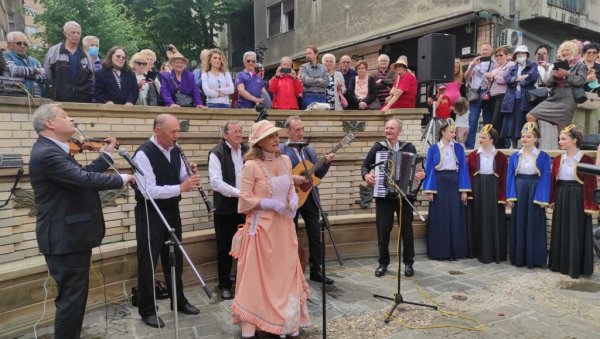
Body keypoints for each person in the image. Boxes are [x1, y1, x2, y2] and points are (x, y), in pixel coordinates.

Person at [29, 103, 134, 338]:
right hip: (65, 239)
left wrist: (106, 155)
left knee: (75, 299)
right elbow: (83, 179)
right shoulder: (47, 153)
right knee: (71, 302)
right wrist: (121, 179)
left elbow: (80, 176)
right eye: (65, 116)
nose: (72, 119)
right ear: (50, 123)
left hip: (71, 237)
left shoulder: (55, 150)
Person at [233, 119, 310, 338]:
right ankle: (254, 321)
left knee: (285, 274)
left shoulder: (285, 159)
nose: (276, 139)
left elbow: (289, 186)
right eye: (270, 137)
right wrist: (269, 203)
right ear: (259, 142)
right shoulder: (251, 166)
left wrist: (293, 199)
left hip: (284, 226)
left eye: (276, 135)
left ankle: (287, 322)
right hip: (262, 228)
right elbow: (245, 198)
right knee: (258, 277)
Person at [132, 114, 202, 328]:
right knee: (149, 262)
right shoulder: (143, 154)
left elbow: (180, 177)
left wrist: (189, 178)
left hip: (172, 211)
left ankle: (178, 300)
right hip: (150, 214)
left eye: (178, 131)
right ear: (157, 130)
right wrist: (181, 188)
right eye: (173, 132)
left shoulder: (175, 151)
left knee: (175, 260)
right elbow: (147, 191)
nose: (177, 135)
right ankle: (147, 310)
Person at [361, 118, 425, 277]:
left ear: (399, 131)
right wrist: (366, 176)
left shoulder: (409, 147)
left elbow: (418, 169)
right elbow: (365, 166)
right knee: (383, 231)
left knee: (407, 231)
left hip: (404, 196)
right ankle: (383, 263)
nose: (388, 130)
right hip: (384, 196)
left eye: (392, 128)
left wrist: (421, 174)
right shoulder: (378, 147)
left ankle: (408, 264)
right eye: (387, 128)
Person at [279, 115, 335, 284]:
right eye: (297, 130)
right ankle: (292, 272)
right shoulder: (281, 150)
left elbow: (316, 177)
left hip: (310, 197)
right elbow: (277, 175)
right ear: (288, 131)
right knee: (290, 235)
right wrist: (292, 178)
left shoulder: (309, 150)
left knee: (315, 234)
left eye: (302, 129)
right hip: (290, 198)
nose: (301, 133)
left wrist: (326, 163)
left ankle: (316, 270)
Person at [549, 125, 598, 278]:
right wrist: (552, 199)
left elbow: (591, 184)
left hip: (577, 197)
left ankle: (575, 265)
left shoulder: (586, 159)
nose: (560, 141)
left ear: (574, 140)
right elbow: (553, 182)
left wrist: (589, 205)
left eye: (563, 139)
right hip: (562, 195)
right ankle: (559, 264)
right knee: (561, 229)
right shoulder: (558, 160)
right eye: (559, 139)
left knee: (575, 231)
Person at [208, 121, 248, 300]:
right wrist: (239, 193)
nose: (239, 134)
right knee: (225, 248)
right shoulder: (216, 153)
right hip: (225, 209)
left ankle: (243, 282)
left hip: (245, 207)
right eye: (235, 132)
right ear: (225, 135)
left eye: (240, 131)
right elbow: (216, 183)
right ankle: (224, 285)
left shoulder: (247, 150)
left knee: (246, 246)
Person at [422, 118, 471, 260]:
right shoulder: (433, 148)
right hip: (439, 184)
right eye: (451, 132)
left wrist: (464, 190)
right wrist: (430, 190)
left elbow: (463, 169)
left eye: (454, 132)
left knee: (455, 217)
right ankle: (440, 252)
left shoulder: (458, 148)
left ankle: (456, 250)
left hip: (455, 184)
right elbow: (430, 169)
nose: (453, 135)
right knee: (440, 217)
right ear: (442, 132)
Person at [505, 122, 551, 268]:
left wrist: (542, 198)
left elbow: (545, 178)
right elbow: (510, 177)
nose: (524, 139)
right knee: (519, 222)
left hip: (534, 190)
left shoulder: (543, 156)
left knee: (534, 223)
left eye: (528, 136)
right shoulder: (514, 156)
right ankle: (519, 258)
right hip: (520, 190)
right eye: (523, 136)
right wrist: (511, 196)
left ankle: (534, 258)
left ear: (536, 138)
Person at [466, 124, 508, 263]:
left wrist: (503, 196)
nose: (480, 140)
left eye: (483, 137)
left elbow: (504, 177)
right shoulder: (473, 156)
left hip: (493, 190)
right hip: (477, 189)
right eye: (480, 137)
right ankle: (478, 252)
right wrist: (467, 192)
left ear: (491, 139)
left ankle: (493, 253)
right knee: (478, 218)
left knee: (492, 220)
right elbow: (468, 175)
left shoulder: (501, 157)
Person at [527, 40, 588, 133]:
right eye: (562, 50)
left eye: (567, 50)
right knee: (530, 115)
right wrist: (553, 76)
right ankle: (533, 139)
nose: (564, 52)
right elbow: (548, 84)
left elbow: (581, 81)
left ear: (573, 51)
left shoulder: (580, 65)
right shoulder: (557, 64)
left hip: (568, 100)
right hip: (554, 98)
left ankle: (563, 147)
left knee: (563, 132)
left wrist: (567, 75)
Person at [43, 21, 94, 102]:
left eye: (78, 33)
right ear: (65, 34)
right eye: (73, 32)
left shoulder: (86, 55)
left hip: (83, 101)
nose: (76, 35)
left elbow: (92, 79)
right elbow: (47, 75)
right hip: (59, 100)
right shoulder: (54, 51)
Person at [500, 45, 539, 148]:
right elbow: (507, 79)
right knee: (512, 125)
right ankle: (513, 147)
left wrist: (516, 80)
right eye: (518, 53)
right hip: (512, 99)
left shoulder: (532, 65)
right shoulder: (512, 67)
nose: (520, 55)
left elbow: (532, 77)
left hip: (525, 99)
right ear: (515, 55)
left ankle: (527, 146)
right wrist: (518, 78)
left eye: (523, 53)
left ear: (527, 55)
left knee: (524, 123)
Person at [465, 44, 495, 149]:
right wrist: (472, 65)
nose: (484, 51)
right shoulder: (475, 62)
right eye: (483, 49)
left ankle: (489, 145)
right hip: (475, 93)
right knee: (472, 121)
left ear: (491, 51)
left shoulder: (494, 63)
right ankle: (469, 147)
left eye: (487, 49)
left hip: (488, 93)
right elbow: (466, 76)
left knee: (488, 121)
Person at [486, 47, 514, 148]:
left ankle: (498, 148)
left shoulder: (510, 65)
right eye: (496, 55)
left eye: (501, 55)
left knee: (496, 122)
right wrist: (488, 79)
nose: (498, 57)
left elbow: (507, 80)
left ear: (507, 56)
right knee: (495, 123)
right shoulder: (495, 68)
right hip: (492, 96)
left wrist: (493, 77)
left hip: (502, 96)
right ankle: (500, 146)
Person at [4, 31, 45, 97]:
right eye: (19, 43)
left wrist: (24, 75)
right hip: (18, 100)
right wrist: (35, 70)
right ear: (9, 44)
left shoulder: (34, 60)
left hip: (39, 100)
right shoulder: (5, 56)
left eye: (25, 44)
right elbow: (14, 71)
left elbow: (44, 74)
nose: (22, 46)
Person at [572, 43, 600, 134]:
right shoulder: (577, 66)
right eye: (589, 52)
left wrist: (596, 81)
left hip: (595, 98)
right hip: (580, 98)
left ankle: (591, 146)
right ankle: (578, 146)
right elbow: (573, 82)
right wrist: (587, 79)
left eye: (594, 52)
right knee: (578, 126)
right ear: (583, 54)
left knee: (593, 126)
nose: (592, 54)